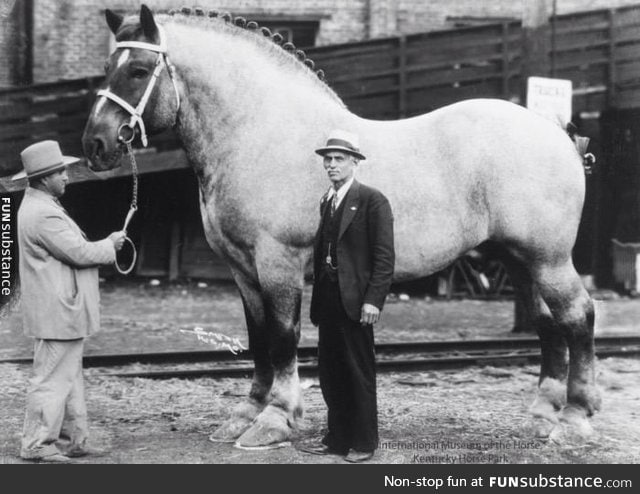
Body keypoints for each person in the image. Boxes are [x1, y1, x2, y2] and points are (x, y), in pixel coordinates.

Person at [14, 140, 126, 462]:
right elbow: (79, 253)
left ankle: (73, 440)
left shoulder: (41, 206)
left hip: (60, 311)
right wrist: (110, 244)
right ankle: (37, 445)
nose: (66, 176)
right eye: (60, 171)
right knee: (51, 380)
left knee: (68, 378)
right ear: (43, 178)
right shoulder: (43, 214)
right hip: (57, 312)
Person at [304, 129, 395, 463]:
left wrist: (374, 300)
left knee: (358, 371)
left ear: (355, 162)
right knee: (331, 371)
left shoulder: (372, 200)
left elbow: (384, 258)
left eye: (338, 159)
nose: (331, 165)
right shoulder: (327, 200)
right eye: (327, 159)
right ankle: (337, 438)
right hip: (328, 300)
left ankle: (364, 441)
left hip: (357, 302)